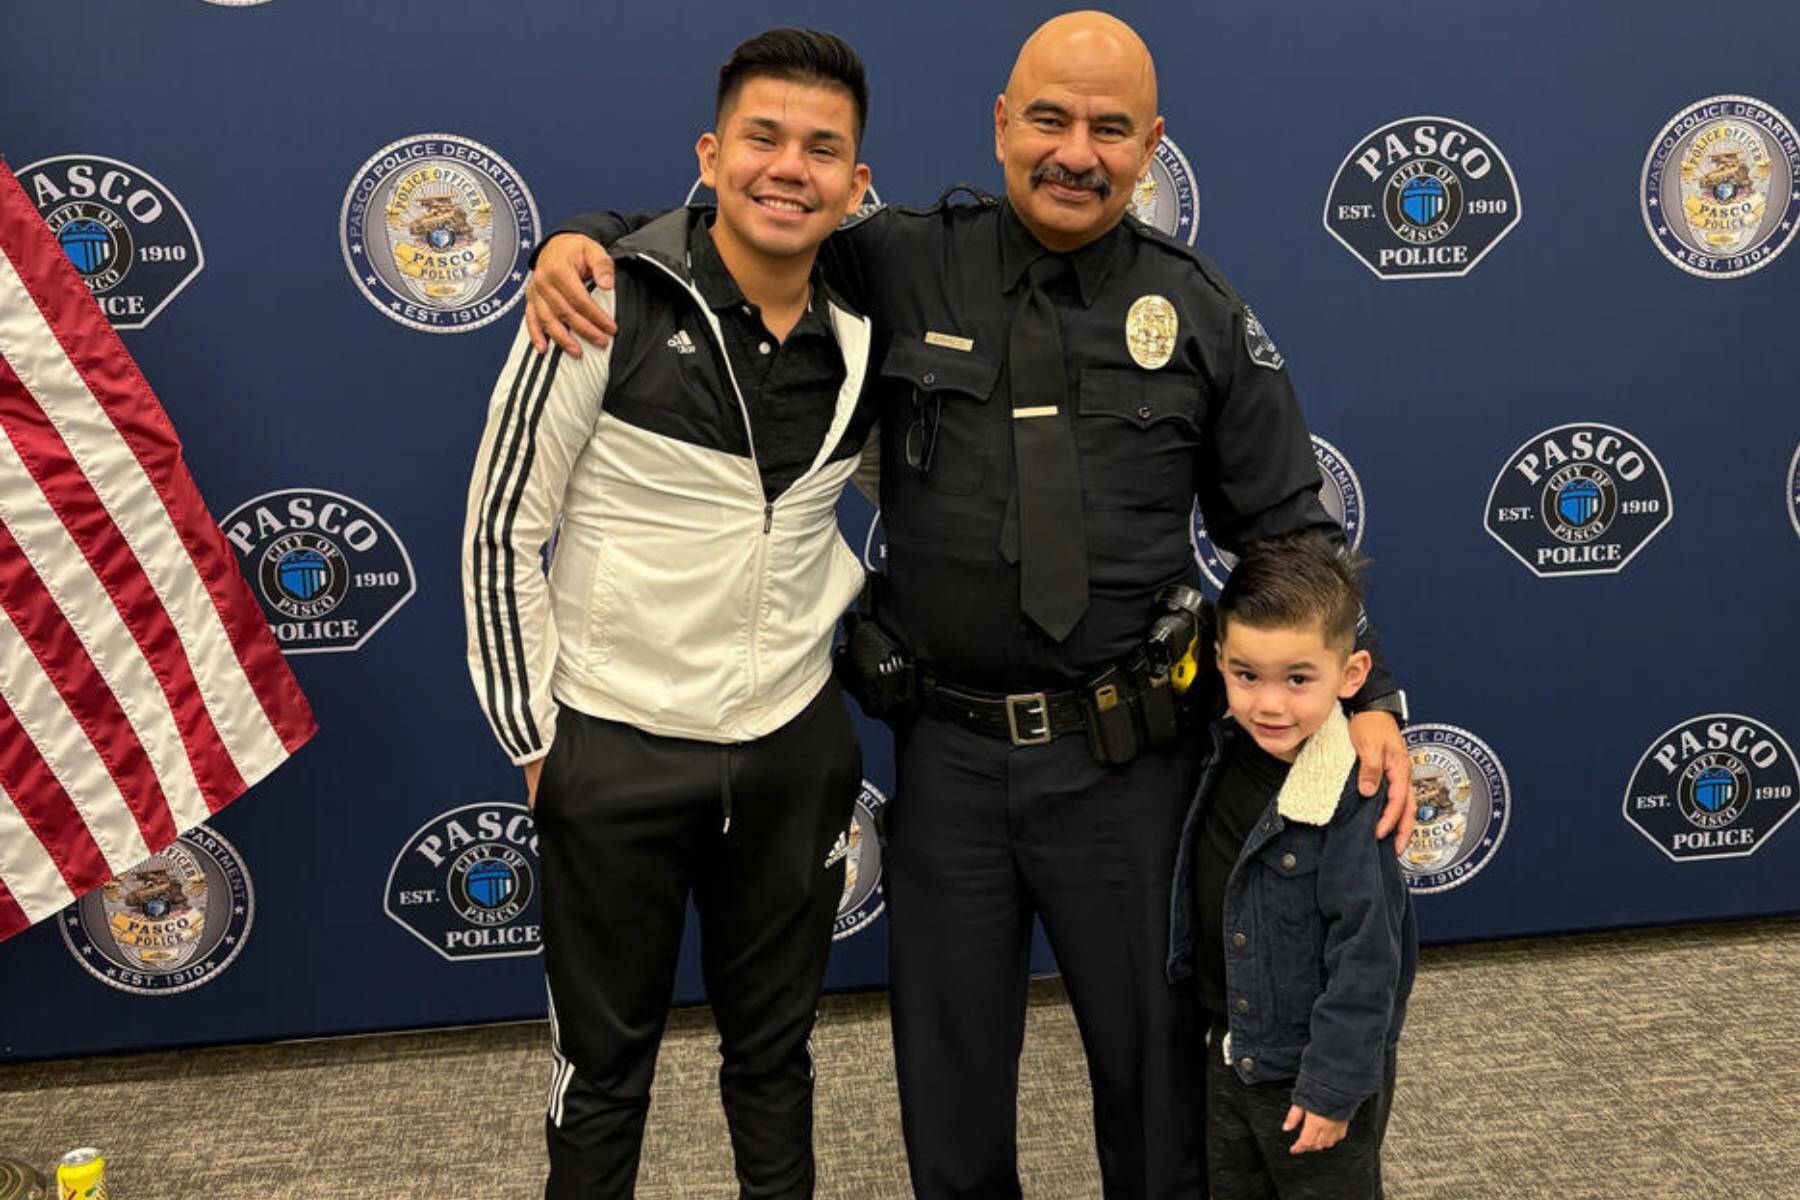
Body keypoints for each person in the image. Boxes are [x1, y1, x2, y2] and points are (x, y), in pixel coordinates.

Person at [522, 13, 1415, 1197]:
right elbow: (738, 226)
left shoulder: (1198, 311)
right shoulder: (894, 256)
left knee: (1157, 1097)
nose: (1075, 151)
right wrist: (583, 242)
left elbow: (1290, 527)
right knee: (946, 1100)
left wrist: (1375, 697)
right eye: (1048, 118)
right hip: (947, 763)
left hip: (1128, 773)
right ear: (1003, 125)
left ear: (1153, 147)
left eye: (1110, 128)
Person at [459, 29, 878, 1200]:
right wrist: (540, 746)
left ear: (856, 183)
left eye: (822, 149)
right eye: (762, 138)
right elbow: (500, 532)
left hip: (794, 752)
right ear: (710, 152)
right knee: (600, 1079)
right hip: (614, 747)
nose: (788, 168)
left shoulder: (865, 334)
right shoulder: (601, 299)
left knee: (777, 1063)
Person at [1168, 533, 1416, 1199]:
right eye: (1246, 675)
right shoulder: (1219, 751)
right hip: (1228, 1054)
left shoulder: (1351, 798)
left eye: (1298, 679)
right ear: (1218, 660)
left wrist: (1335, 1088)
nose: (1269, 704)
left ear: (1353, 675)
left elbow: (1369, 961)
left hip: (1311, 1072)